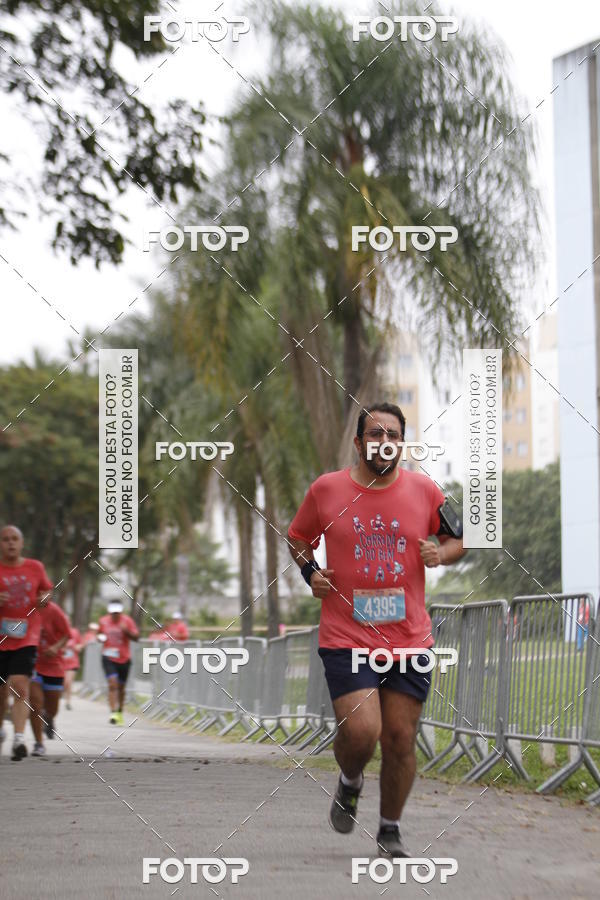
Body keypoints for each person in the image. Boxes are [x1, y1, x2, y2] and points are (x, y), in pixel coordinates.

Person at [287, 402, 466, 856]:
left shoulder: (426, 490)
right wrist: (311, 573)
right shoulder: (327, 490)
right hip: (347, 637)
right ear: (359, 442)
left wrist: (441, 554)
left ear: (402, 444)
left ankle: (389, 830)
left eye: (393, 435)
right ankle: (350, 779)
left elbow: (460, 538)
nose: (384, 441)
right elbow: (298, 537)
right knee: (363, 731)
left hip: (409, 640)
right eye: (375, 433)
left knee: (401, 738)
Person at [0, 525, 53, 760]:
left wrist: (44, 599)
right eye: (5, 539)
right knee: (1, 693)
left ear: (21, 543)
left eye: (14, 539)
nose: (10, 543)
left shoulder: (35, 567)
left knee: (20, 685)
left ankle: (19, 739)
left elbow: (47, 591)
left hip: (26, 636)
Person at [29, 601, 71, 755]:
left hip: (53, 665)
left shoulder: (54, 610)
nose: (41, 595)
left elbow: (67, 634)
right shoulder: (27, 607)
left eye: (44, 592)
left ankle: (49, 718)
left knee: (52, 709)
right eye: (38, 592)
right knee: (35, 704)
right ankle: (39, 743)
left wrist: (55, 647)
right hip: (32, 663)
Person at [98, 600, 139, 725]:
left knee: (121, 688)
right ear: (109, 612)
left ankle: (120, 711)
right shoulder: (103, 621)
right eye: (113, 613)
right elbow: (100, 635)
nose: (115, 615)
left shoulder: (127, 621)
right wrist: (100, 638)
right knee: (112, 684)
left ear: (121, 612)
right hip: (108, 657)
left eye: (117, 613)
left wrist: (126, 631)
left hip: (124, 658)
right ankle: (113, 712)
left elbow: (136, 637)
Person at [62, 624, 84, 709]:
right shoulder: (58, 631)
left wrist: (77, 647)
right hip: (61, 662)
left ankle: (68, 702)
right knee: (64, 682)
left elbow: (81, 644)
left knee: (68, 681)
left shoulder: (75, 632)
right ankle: (62, 695)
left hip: (72, 662)